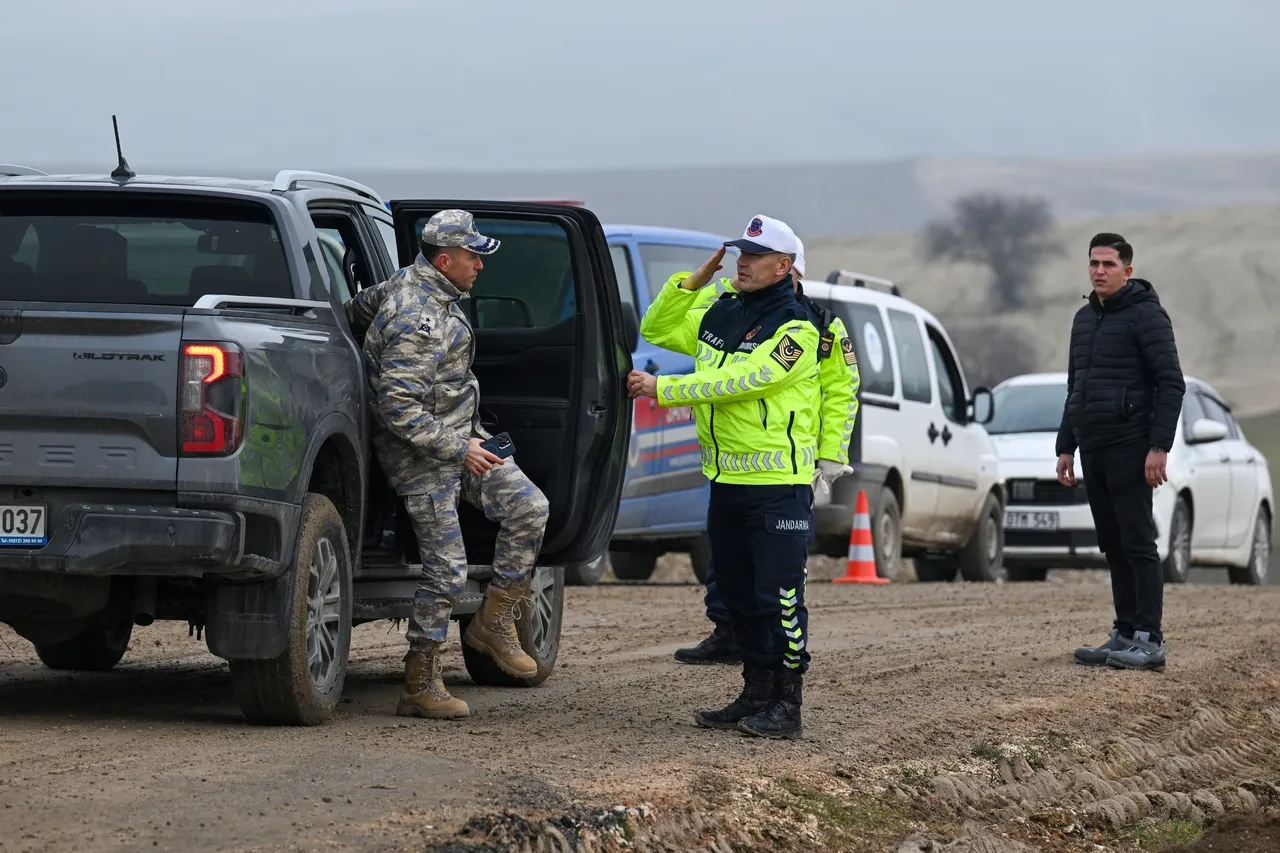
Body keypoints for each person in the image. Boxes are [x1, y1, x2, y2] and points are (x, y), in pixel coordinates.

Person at [350, 209, 551, 719]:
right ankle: (419, 682)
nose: (480, 266)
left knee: (530, 508)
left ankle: (493, 622)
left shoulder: (416, 286)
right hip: (421, 456)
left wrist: (466, 442)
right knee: (447, 570)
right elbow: (398, 409)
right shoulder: (416, 318)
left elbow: (355, 309)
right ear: (444, 260)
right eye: (472, 257)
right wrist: (460, 449)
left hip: (461, 438)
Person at [630, 214, 822, 740]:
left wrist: (664, 388)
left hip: (778, 486)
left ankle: (787, 704)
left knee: (779, 599)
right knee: (738, 596)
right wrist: (690, 283)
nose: (743, 262)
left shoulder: (799, 326)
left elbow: (745, 380)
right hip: (726, 481)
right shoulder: (723, 309)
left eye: (756, 256)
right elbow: (657, 329)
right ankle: (755, 694)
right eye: (741, 253)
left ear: (784, 267)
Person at [673, 237, 859, 665]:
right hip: (733, 466)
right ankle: (728, 631)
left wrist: (831, 454)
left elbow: (841, 392)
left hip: (787, 466)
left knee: (778, 575)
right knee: (729, 563)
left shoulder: (821, 326)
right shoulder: (739, 314)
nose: (747, 267)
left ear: (792, 272)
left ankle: (777, 673)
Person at [1057, 232, 1185, 672]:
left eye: (1108, 264)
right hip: (1093, 448)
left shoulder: (1147, 316)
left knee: (1137, 542)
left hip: (1131, 446)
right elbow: (1076, 389)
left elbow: (1171, 383)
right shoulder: (1083, 319)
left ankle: (1150, 640)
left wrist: (1158, 447)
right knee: (1113, 544)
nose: (1099, 271)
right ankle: (1125, 632)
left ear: (1127, 271)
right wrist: (1066, 446)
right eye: (1094, 263)